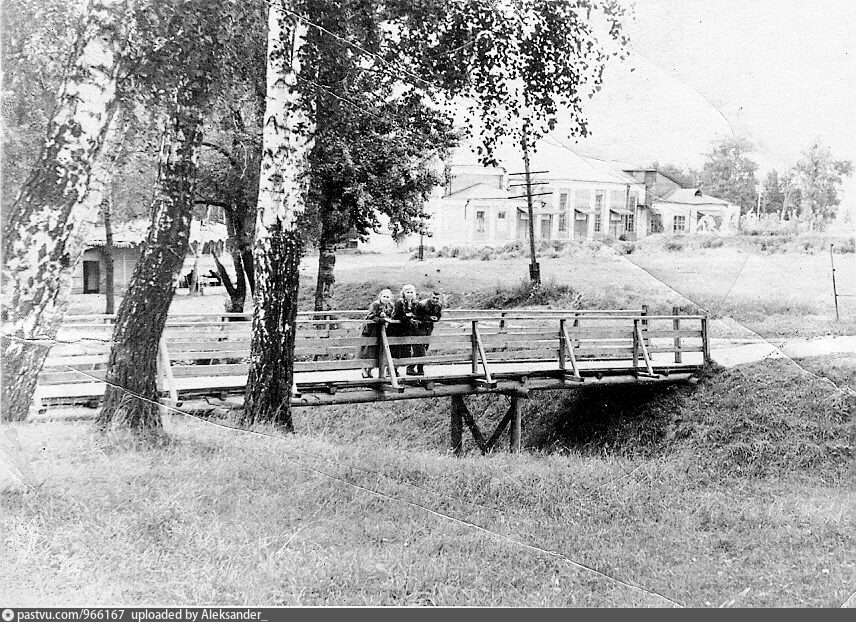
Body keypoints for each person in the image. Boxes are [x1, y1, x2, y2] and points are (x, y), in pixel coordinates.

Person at [357, 289, 394, 378]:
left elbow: (391, 315)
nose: (385, 298)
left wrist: (387, 319)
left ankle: (370, 370)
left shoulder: (390, 306)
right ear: (380, 297)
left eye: (387, 297)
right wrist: (380, 318)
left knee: (377, 351)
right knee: (367, 350)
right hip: (371, 330)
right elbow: (370, 316)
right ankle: (364, 370)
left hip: (381, 330)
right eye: (384, 296)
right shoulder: (375, 304)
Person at [409, 291, 444, 376]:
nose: (435, 300)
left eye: (437, 298)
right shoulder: (422, 304)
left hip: (428, 328)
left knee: (425, 347)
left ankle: (411, 367)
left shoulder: (439, 305)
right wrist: (428, 317)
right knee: (420, 349)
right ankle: (419, 369)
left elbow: (439, 315)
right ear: (430, 297)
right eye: (433, 298)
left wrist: (436, 318)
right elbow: (415, 316)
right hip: (419, 328)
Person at [389, 283, 419, 375]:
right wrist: (408, 317)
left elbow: (415, 314)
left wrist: (411, 316)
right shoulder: (400, 302)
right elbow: (398, 315)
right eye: (407, 292)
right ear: (403, 293)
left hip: (406, 329)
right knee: (395, 349)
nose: (409, 294)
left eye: (411, 292)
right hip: (396, 328)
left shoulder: (415, 302)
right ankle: (392, 370)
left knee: (405, 350)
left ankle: (408, 368)